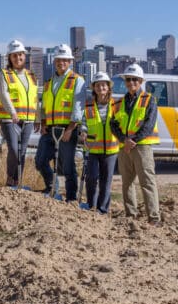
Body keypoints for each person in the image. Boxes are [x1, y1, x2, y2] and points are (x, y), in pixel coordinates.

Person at [110, 64, 161, 226]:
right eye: (128, 79)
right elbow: (113, 124)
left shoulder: (149, 100)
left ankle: (154, 218)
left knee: (147, 182)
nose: (131, 82)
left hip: (142, 147)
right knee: (127, 183)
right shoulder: (118, 103)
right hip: (125, 147)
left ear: (140, 81)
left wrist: (133, 140)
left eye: (135, 79)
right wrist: (123, 140)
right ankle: (131, 215)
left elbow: (149, 123)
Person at [36, 44, 86, 201]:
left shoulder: (77, 81)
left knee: (67, 166)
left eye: (65, 60)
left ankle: (71, 198)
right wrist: (43, 123)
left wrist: (71, 129)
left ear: (70, 62)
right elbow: (43, 106)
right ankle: (52, 188)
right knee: (40, 161)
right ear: (54, 61)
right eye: (58, 60)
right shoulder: (48, 83)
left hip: (67, 129)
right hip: (49, 128)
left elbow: (78, 107)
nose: (61, 63)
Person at [0, 40, 39, 187]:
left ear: (24, 56)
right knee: (14, 150)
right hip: (10, 119)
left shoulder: (32, 76)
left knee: (22, 153)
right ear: (9, 58)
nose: (18, 58)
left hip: (28, 119)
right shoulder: (5, 74)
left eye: (20, 55)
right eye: (14, 55)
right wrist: (13, 112)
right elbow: (4, 94)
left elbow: (35, 98)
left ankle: (17, 181)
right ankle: (10, 178)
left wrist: (38, 118)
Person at [80, 71, 119, 214]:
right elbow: (83, 122)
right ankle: (91, 205)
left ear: (108, 87)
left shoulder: (116, 105)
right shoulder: (88, 105)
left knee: (106, 181)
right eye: (98, 85)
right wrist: (83, 132)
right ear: (94, 88)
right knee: (91, 178)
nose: (101, 88)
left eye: (104, 85)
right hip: (92, 149)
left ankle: (102, 210)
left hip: (110, 150)